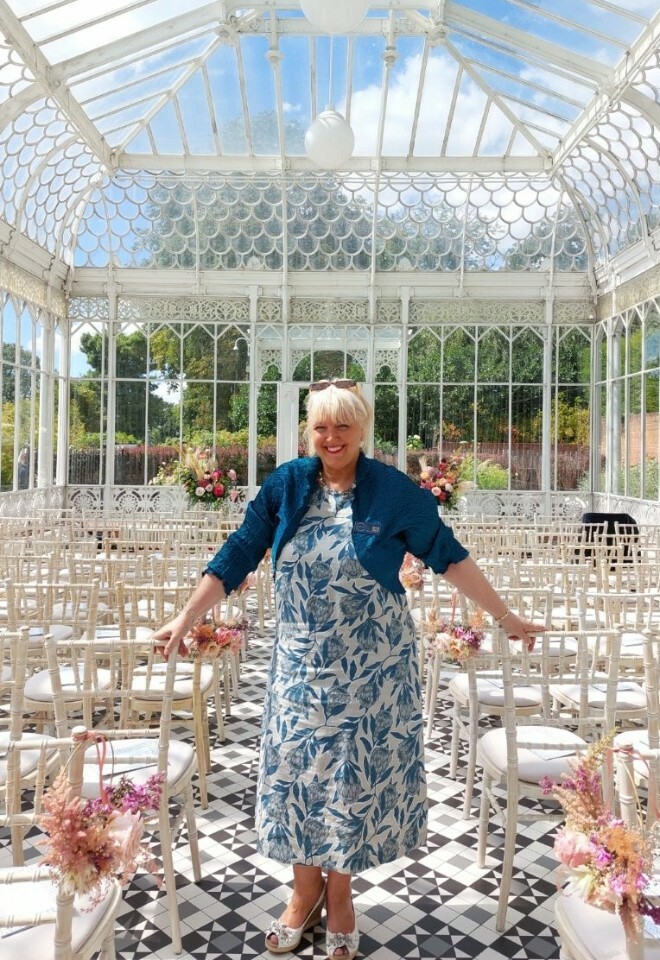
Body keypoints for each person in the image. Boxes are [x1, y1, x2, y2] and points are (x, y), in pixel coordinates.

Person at [153, 379, 544, 960]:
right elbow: (238, 551)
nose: (330, 437)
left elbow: (448, 554)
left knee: (353, 784)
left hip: (374, 671)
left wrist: (507, 616)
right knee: (298, 778)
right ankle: (301, 892)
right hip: (300, 666)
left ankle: (340, 897)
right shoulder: (286, 484)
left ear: (362, 430)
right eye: (320, 427)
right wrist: (184, 617)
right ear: (307, 432)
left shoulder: (393, 492)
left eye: (342, 426)